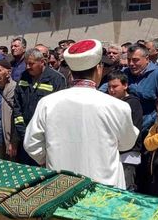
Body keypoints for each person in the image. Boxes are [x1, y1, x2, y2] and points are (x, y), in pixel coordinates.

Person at [24, 39, 139, 188]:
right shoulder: (117, 106)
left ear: (71, 72)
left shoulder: (47, 103)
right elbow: (127, 143)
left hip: (61, 187)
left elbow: (31, 143)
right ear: (99, 69)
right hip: (104, 190)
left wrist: (51, 158)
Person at [13, 48, 66, 165]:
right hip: (25, 140)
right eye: (26, 63)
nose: (27, 67)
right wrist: (24, 134)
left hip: (46, 142)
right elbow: (17, 108)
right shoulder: (23, 78)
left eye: (31, 64)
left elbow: (59, 112)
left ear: (42, 62)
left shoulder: (56, 79)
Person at [106, 71, 143, 191]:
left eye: (115, 86)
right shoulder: (107, 102)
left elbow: (133, 129)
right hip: (112, 152)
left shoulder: (133, 103)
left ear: (125, 85)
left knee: (127, 187)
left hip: (128, 153)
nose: (111, 90)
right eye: (109, 87)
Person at [123, 44, 158, 132]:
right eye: (129, 60)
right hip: (128, 127)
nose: (131, 64)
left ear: (147, 59)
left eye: (135, 60)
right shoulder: (125, 73)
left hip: (150, 128)